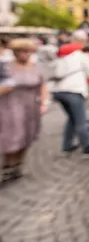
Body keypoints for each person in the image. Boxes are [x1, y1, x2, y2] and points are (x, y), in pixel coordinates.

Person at [0, 38, 49, 184]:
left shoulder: (36, 67)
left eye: (28, 51)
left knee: (27, 136)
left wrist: (44, 102)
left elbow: (42, 85)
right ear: (15, 53)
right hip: (9, 107)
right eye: (21, 51)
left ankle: (17, 166)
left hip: (30, 107)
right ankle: (7, 167)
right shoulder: (5, 68)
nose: (25, 54)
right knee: (11, 137)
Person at [51, 30, 89, 156]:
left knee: (72, 118)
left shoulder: (63, 53)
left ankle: (67, 146)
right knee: (81, 120)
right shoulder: (82, 55)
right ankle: (87, 146)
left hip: (58, 91)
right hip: (74, 91)